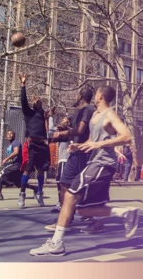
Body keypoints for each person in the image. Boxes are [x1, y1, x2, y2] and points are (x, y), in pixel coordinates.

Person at [29, 85, 139, 257]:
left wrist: (99, 144)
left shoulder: (110, 114)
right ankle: (125, 213)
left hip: (104, 163)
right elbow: (93, 138)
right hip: (95, 162)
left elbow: (127, 137)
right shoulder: (95, 115)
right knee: (83, 209)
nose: (94, 96)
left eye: (96, 93)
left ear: (101, 96)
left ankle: (56, 243)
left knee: (70, 196)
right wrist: (81, 145)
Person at [47, 86, 96, 231]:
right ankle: (71, 218)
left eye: (76, 95)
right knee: (71, 186)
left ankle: (68, 220)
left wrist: (62, 134)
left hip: (81, 153)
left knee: (68, 186)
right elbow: (77, 132)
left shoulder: (86, 110)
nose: (75, 97)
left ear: (80, 96)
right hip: (79, 152)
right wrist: (64, 132)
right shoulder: (83, 112)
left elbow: (80, 131)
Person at [18, 72, 50, 208]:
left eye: (38, 100)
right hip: (32, 145)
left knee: (41, 170)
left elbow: (47, 119)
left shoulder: (42, 114)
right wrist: (23, 84)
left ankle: (40, 193)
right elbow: (23, 100)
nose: (36, 101)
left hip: (42, 145)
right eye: (34, 101)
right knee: (28, 169)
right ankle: (22, 194)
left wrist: (50, 113)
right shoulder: (29, 113)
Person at [0, 131, 25, 200]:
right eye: (8, 134)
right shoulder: (11, 144)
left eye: (11, 134)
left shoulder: (16, 142)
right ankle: (35, 188)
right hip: (13, 165)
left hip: (15, 165)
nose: (9, 135)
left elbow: (16, 152)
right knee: (17, 183)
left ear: (14, 135)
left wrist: (6, 159)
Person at [51, 116, 72, 213]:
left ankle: (63, 204)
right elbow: (51, 128)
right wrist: (50, 116)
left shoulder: (70, 131)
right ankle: (61, 203)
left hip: (65, 159)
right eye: (62, 118)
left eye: (64, 119)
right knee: (59, 182)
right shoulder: (61, 130)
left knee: (63, 183)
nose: (62, 120)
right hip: (61, 160)